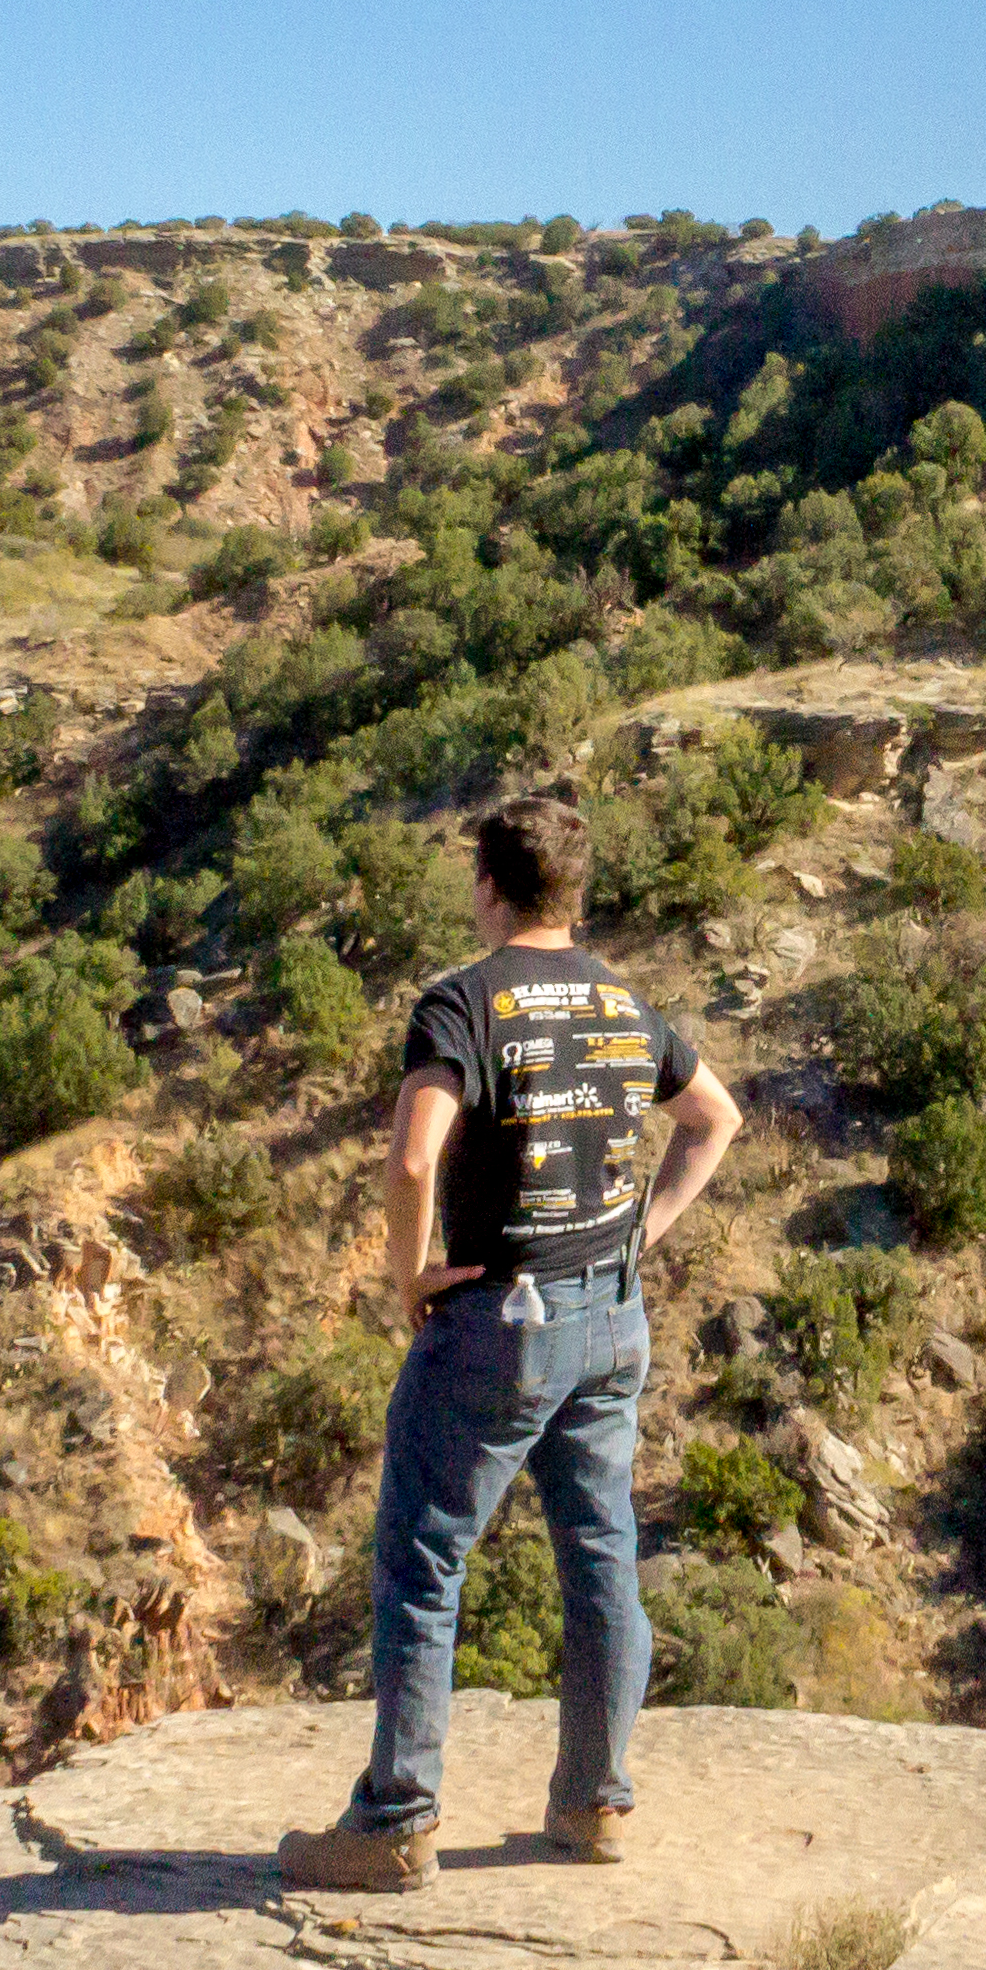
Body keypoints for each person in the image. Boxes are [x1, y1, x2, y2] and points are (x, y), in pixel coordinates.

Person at [277, 791, 743, 1892]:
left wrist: (408, 1274)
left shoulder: (461, 1004)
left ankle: (396, 1818)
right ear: (574, 892)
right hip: (610, 1315)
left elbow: (408, 1158)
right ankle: (595, 1799)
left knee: (426, 1556)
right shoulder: (626, 1004)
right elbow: (715, 1115)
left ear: (488, 885)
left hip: (499, 1316)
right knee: (600, 1551)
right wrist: (643, 1229)